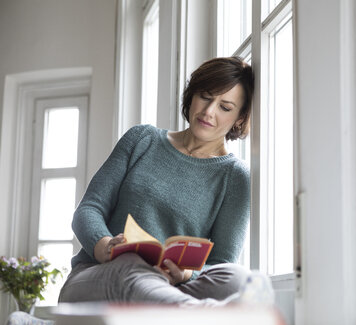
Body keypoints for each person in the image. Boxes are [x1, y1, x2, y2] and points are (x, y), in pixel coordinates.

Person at [58, 57, 269, 306]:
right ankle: (201, 314)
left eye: (225, 107)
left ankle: (182, 310)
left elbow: (221, 262)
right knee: (131, 265)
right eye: (205, 96)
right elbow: (88, 209)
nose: (208, 112)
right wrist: (107, 248)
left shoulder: (235, 177)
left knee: (237, 278)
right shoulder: (141, 139)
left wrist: (186, 273)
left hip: (172, 286)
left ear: (240, 118)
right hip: (99, 276)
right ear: (192, 95)